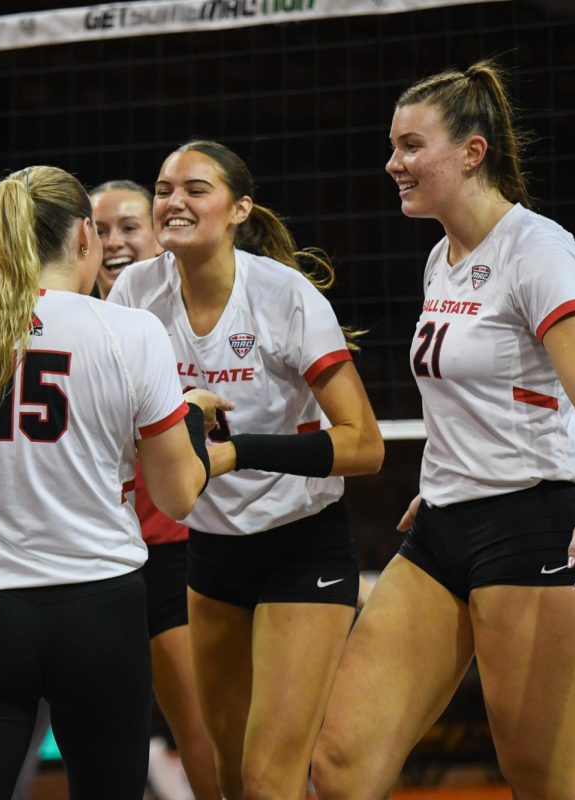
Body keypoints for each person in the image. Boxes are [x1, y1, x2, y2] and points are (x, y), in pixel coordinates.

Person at [310, 60, 575, 800]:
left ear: (472, 152)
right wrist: (450, 476)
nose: (393, 163)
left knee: (544, 782)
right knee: (341, 767)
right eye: (393, 146)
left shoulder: (538, 250)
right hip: (442, 528)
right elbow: (466, 394)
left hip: (531, 527)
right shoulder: (441, 257)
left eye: (411, 145)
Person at [0, 165, 229, 800]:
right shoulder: (132, 331)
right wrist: (191, 421)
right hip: (99, 607)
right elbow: (176, 494)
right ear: (86, 235)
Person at [108, 140, 384, 800]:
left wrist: (239, 452)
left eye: (195, 188)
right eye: (164, 187)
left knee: (269, 779)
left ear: (239, 209)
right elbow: (112, 414)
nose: (173, 200)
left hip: (301, 546)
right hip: (210, 554)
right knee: (227, 781)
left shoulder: (283, 296)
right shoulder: (135, 292)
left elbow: (365, 445)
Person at [91, 178, 221, 800]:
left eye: (128, 227)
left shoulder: (182, 313)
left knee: (200, 724)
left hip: (175, 548)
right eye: (101, 228)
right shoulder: (64, 319)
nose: (114, 241)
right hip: (91, 555)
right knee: (99, 733)